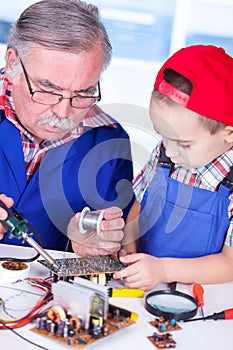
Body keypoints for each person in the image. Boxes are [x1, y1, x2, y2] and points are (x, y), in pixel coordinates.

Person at [0, 0, 134, 254]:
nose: (63, 113)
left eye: (84, 93)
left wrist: (93, 251)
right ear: (12, 62)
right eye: (48, 89)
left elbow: (119, 258)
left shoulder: (110, 144)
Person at [113, 44, 233, 290]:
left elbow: (229, 263)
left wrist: (164, 270)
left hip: (202, 296)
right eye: (162, 136)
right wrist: (129, 248)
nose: (169, 150)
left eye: (182, 143)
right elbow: (138, 205)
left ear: (228, 133)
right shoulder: (165, 154)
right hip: (146, 284)